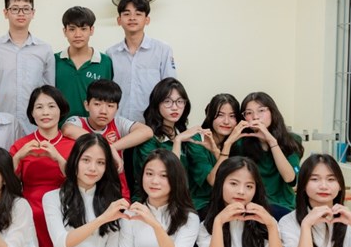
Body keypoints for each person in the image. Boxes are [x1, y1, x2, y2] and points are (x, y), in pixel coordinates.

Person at [9, 85, 76, 247]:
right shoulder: (21, 145)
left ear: (61, 110)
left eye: (51, 106)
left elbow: (80, 180)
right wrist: (17, 157)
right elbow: (6, 182)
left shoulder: (73, 145)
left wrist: (58, 158)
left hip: (66, 210)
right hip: (31, 212)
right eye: (39, 107)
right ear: (32, 113)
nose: (45, 112)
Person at [133, 78, 215, 216]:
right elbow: (169, 177)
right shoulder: (148, 139)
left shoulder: (187, 136)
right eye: (167, 101)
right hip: (151, 204)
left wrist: (215, 150)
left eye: (180, 101)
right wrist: (178, 141)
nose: (175, 107)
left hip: (184, 203)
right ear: (156, 104)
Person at [62, 79, 153, 201]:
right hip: (86, 189)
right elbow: (67, 129)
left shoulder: (118, 123)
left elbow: (147, 132)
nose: (103, 111)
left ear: (117, 108)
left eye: (110, 106)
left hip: (117, 189)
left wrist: (112, 147)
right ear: (87, 105)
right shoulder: (78, 121)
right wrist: (108, 148)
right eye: (97, 104)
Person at [0, 0, 54, 133]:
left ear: (33, 13)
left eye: (26, 9)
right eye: (15, 9)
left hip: (34, 127)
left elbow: (50, 91)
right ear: (5, 13)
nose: (21, 13)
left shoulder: (44, 50)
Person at [221, 92, 303, 220]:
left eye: (261, 110)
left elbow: (290, 178)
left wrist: (271, 142)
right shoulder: (241, 142)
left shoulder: (291, 140)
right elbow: (222, 178)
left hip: (281, 205)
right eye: (249, 113)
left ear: (272, 112)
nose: (255, 117)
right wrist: (229, 142)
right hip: (249, 204)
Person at [104, 0, 176, 123]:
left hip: (153, 122)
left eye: (138, 14)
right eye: (126, 14)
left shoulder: (163, 50)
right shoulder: (111, 54)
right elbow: (107, 91)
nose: (132, 18)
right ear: (119, 20)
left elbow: (170, 89)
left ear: (147, 20)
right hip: (119, 122)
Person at [54, 6, 113, 121]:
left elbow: (108, 98)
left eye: (83, 29)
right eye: (72, 29)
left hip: (93, 128)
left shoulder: (105, 62)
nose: (78, 34)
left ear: (91, 30)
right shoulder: (54, 60)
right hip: (59, 127)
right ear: (65, 31)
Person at [200, 93, 242, 161]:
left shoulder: (239, 142)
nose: (226, 122)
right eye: (220, 115)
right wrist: (227, 144)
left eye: (232, 116)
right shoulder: (198, 140)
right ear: (210, 116)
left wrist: (227, 144)